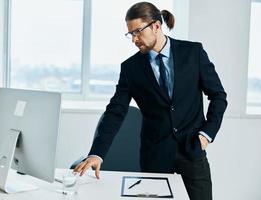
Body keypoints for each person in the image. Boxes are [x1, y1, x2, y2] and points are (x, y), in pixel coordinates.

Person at [74, 2, 227, 200]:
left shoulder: (193, 53)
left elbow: (218, 96)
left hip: (192, 152)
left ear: (156, 26)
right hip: (155, 158)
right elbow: (115, 111)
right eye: (131, 34)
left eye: (137, 32)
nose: (134, 39)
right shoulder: (130, 68)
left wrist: (206, 134)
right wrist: (96, 153)